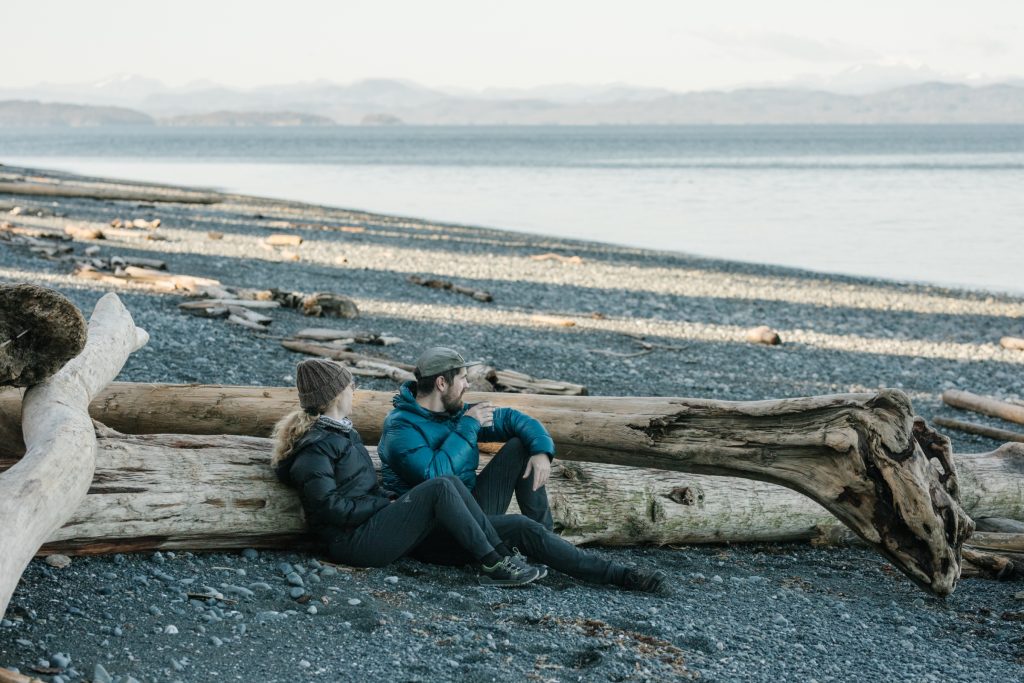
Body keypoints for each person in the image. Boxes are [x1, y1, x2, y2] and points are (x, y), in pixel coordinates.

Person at [378, 346, 669, 594]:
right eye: (463, 379)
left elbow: (518, 421)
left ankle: (547, 546)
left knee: (521, 446)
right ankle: (618, 575)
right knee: (520, 527)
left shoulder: (457, 412)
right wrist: (469, 425)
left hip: (471, 510)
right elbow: (436, 477)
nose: (467, 385)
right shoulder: (401, 428)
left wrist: (541, 451)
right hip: (437, 534)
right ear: (442, 383)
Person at [272, 358, 543, 587]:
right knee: (440, 485)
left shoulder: (344, 432)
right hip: (352, 545)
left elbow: (362, 488)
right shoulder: (315, 449)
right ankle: (493, 563)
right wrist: (382, 503)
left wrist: (388, 499)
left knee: (446, 482)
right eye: (349, 385)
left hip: (365, 527)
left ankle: (501, 556)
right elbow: (329, 508)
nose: (353, 389)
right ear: (336, 394)